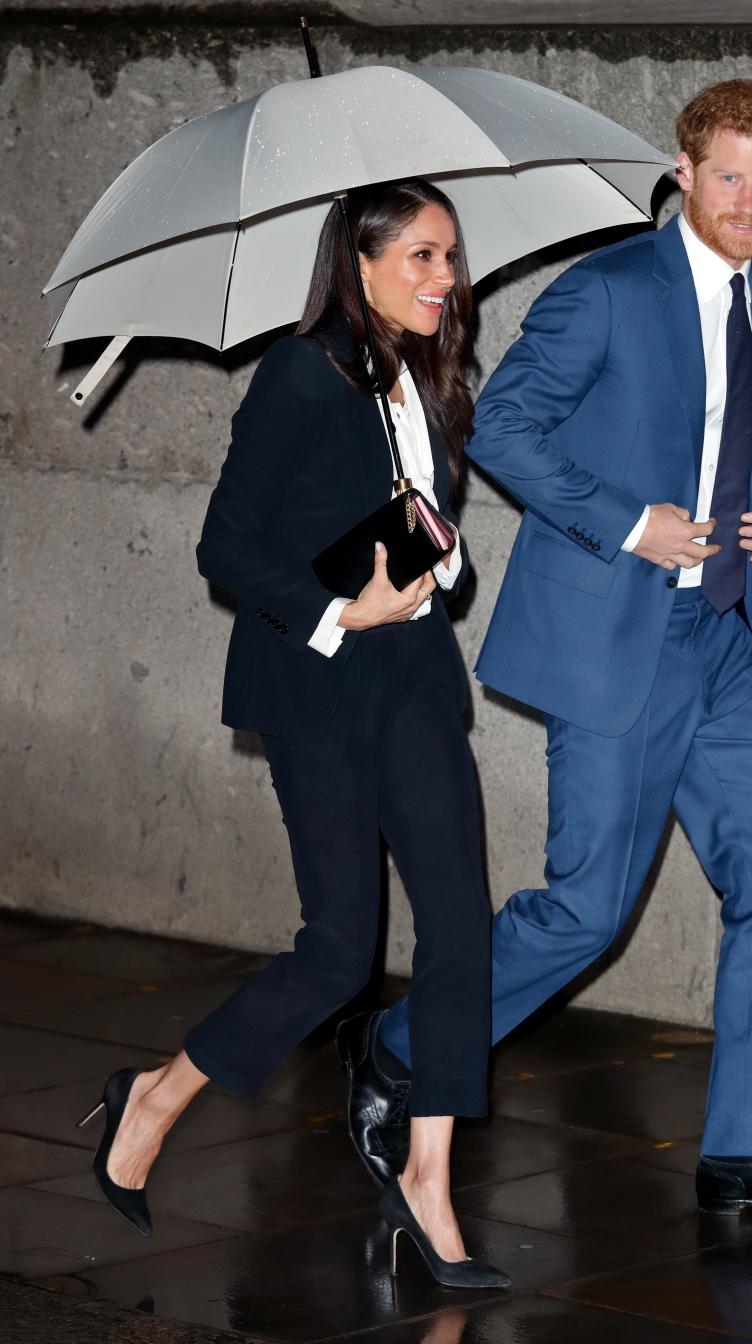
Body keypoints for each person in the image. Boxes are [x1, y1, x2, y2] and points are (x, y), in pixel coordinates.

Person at [345, 81, 752, 1222]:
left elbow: (736, 448)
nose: (747, 199)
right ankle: (399, 1044)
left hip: (730, 635)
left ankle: (747, 1155)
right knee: (586, 910)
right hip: (621, 635)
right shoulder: (606, 290)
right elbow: (503, 425)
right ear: (683, 172)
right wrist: (631, 521)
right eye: (725, 174)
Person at [75, 178, 509, 1289]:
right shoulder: (297, 375)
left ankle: (428, 1180)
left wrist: (437, 552)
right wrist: (337, 612)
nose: (442, 278)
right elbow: (226, 544)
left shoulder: (422, 378)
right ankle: (159, 1095)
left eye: (449, 257)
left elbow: (429, 531)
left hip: (413, 678)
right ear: (358, 262)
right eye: (418, 256)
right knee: (338, 951)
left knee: (461, 929)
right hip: (319, 683)